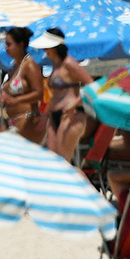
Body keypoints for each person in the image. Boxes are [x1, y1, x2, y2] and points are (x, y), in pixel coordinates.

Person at [34, 28, 93, 162]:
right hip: (55, 115)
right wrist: (45, 115)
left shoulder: (69, 63)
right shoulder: (56, 64)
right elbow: (55, 94)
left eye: (46, 47)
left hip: (71, 114)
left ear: (55, 46)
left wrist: (75, 103)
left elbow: (91, 85)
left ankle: (82, 183)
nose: (44, 50)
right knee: (53, 162)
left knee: (64, 163)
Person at [0, 26, 44, 140]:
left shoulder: (30, 65)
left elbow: (39, 93)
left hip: (28, 121)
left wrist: (16, 100)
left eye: (9, 44)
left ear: (20, 44)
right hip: (14, 121)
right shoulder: (15, 66)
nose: (6, 48)